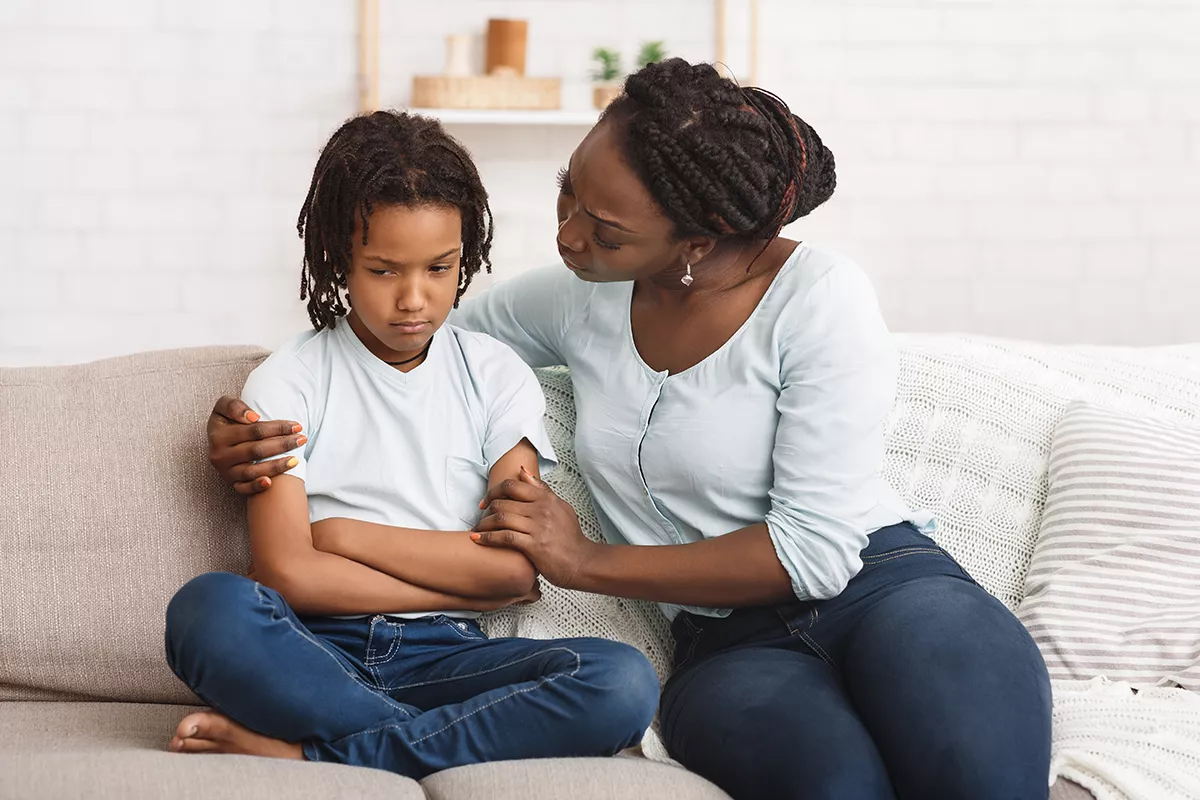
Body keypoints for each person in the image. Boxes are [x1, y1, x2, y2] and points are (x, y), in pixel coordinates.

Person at [205, 60, 1052, 799]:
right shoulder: (578, 294)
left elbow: (817, 553)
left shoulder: (821, 298)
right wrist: (248, 426)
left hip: (886, 588)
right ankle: (358, 751)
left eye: (605, 229)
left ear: (697, 238)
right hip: (728, 646)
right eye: (569, 189)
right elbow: (417, 339)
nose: (568, 233)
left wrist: (585, 563)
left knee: (969, 770)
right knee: (833, 784)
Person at [166, 110, 659, 780]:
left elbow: (514, 573)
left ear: (467, 255)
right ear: (340, 258)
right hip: (314, 652)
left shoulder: (495, 375)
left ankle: (321, 752)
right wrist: (464, 582)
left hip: (445, 660)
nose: (414, 299)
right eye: (383, 270)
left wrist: (341, 535)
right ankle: (429, 743)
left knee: (619, 680)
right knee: (208, 609)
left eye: (440, 267)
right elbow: (288, 575)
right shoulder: (288, 379)